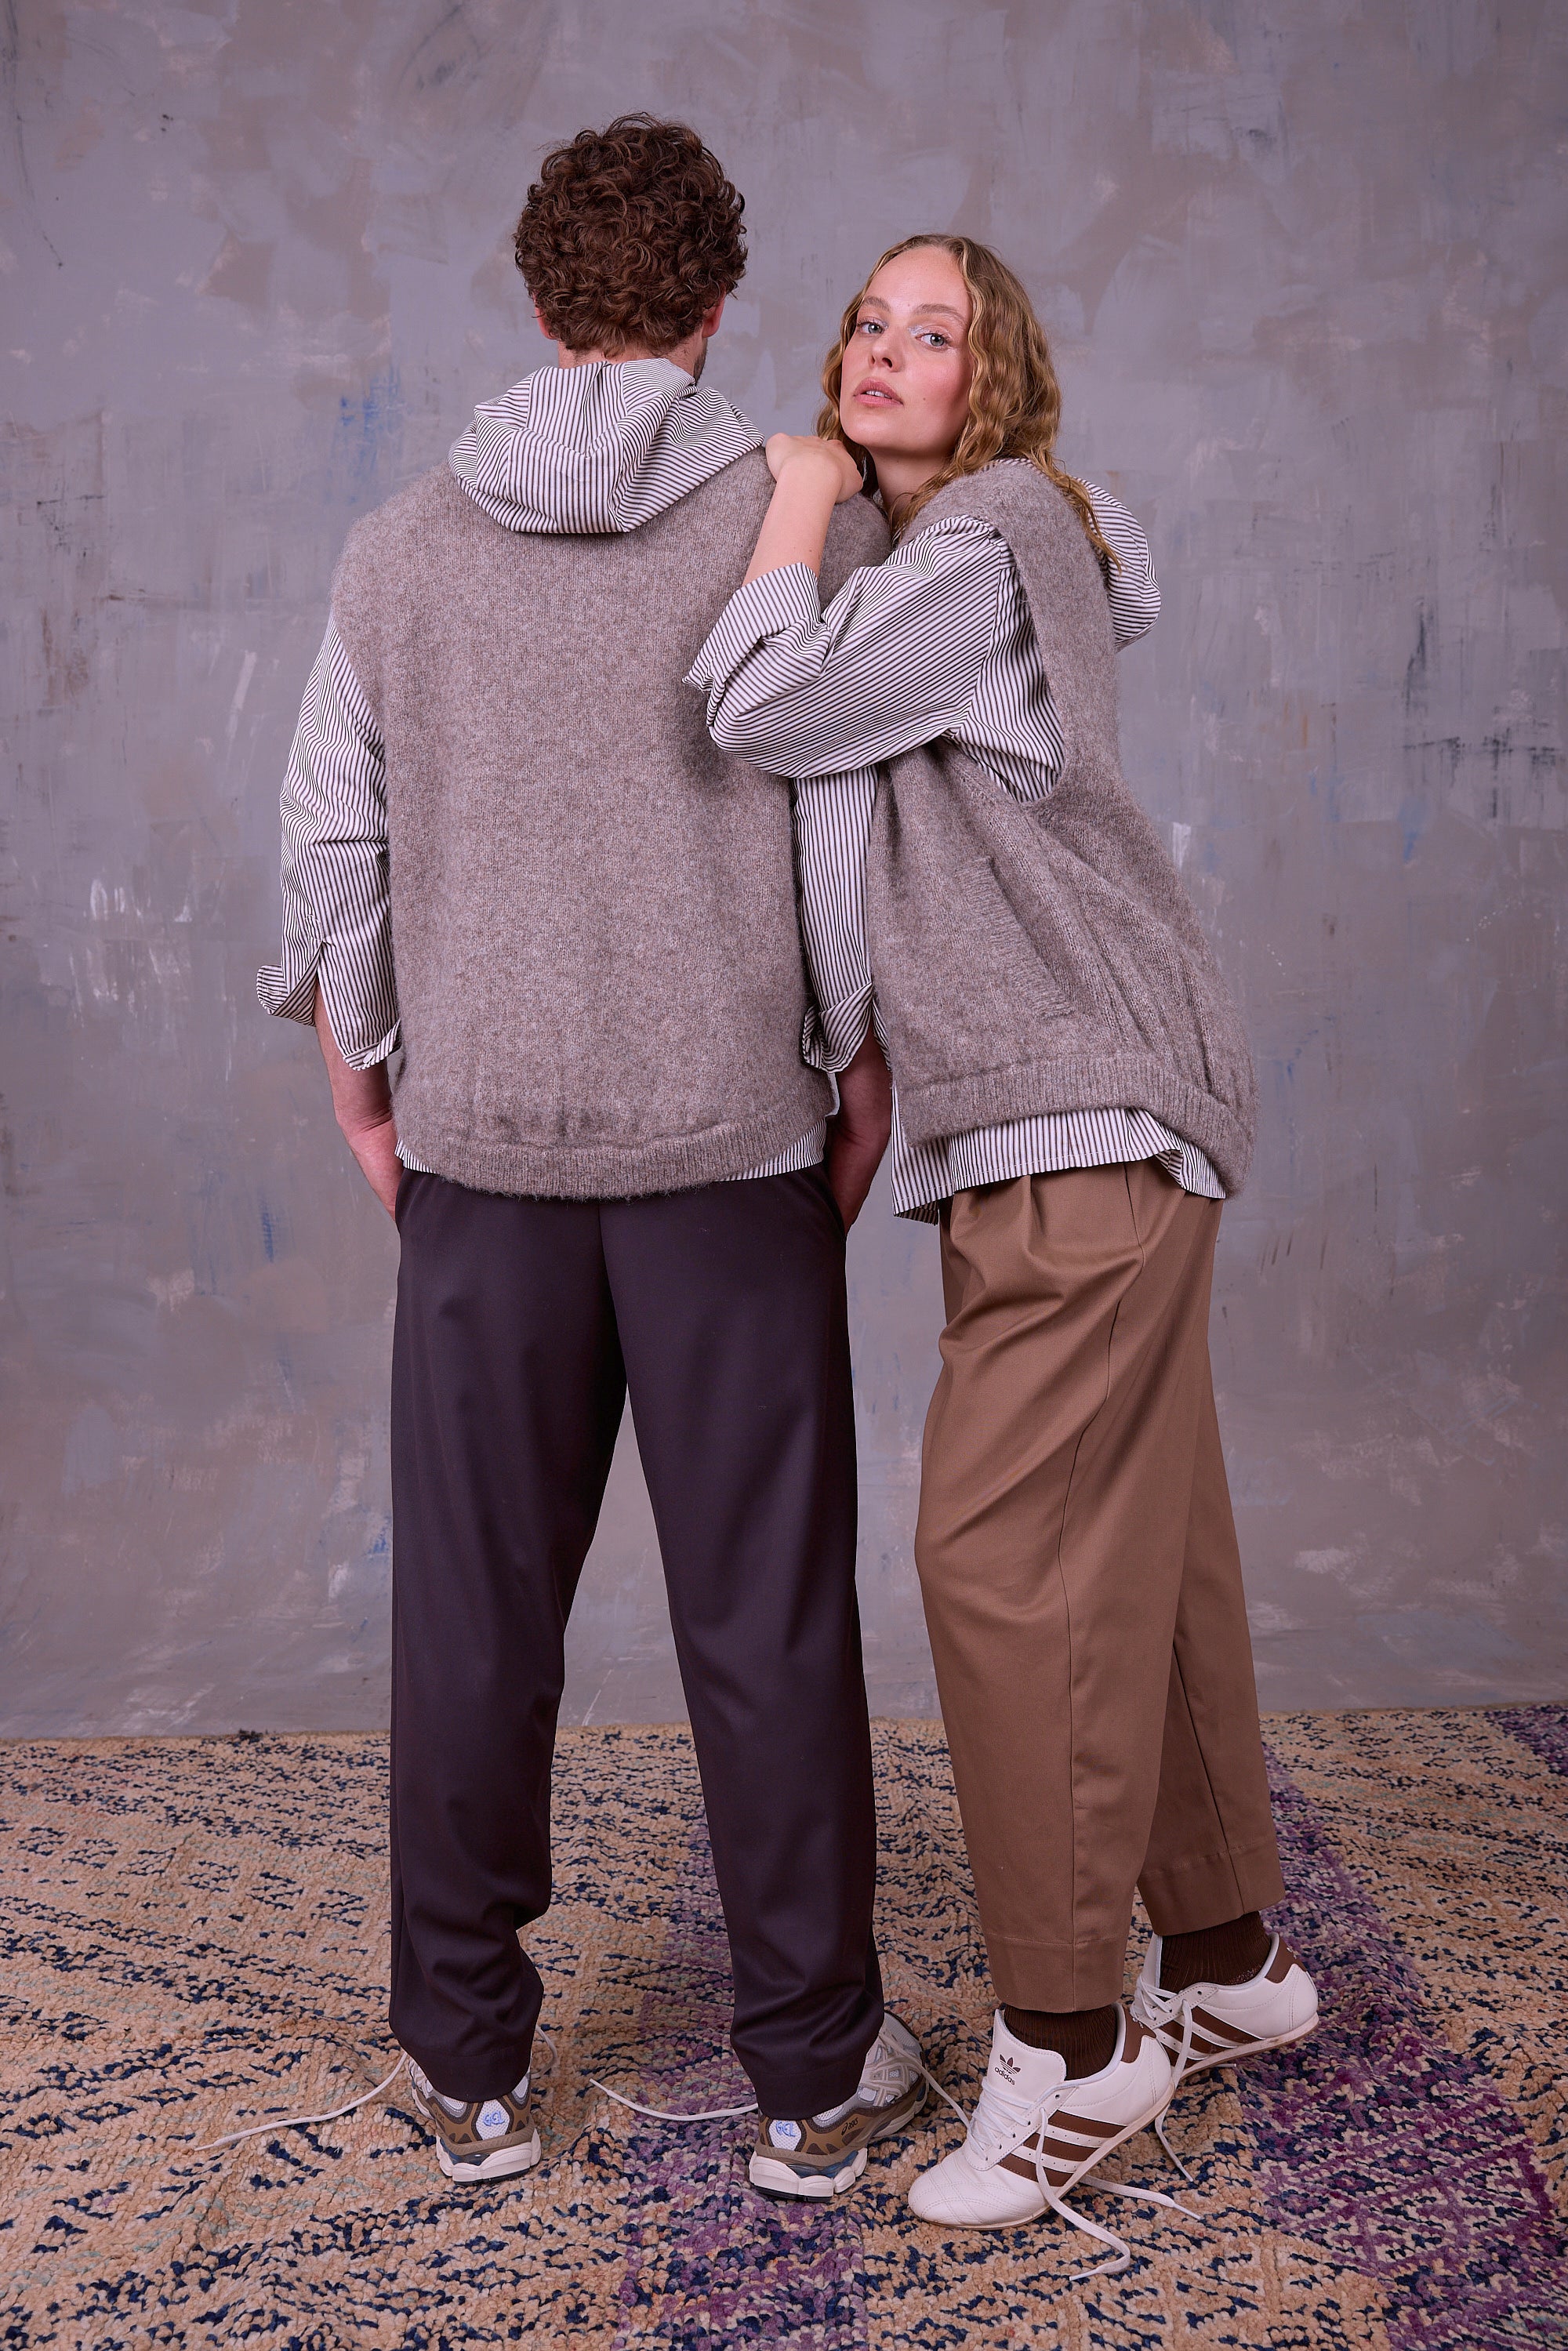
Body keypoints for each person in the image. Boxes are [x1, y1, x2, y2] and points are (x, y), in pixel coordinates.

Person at [257, 118, 927, 2202]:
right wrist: (849, 1071)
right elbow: (839, 837)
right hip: (733, 1158)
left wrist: (370, 1084)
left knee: (474, 1624)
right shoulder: (800, 525)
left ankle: (466, 2070)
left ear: (537, 305)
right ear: (719, 307)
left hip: (484, 1162)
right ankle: (810, 2082)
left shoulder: (394, 552)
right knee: (769, 1624)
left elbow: (330, 845)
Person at [687, 234, 1318, 2244]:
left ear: (998, 376)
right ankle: (1222, 1961)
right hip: (1087, 1105)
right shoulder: (955, 555)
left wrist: (792, 500)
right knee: (1150, 1540)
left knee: (1005, 1561)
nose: (883, 351)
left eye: (933, 331)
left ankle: (1068, 2044)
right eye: (866, 324)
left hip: (1078, 1110)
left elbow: (763, 705)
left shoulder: (984, 539)